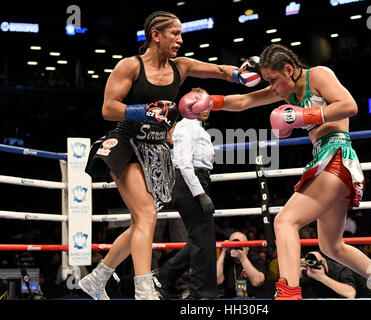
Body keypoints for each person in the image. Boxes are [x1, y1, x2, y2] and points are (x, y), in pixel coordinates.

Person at [180, 43, 371, 300]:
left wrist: (304, 116)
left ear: (289, 70)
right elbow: (244, 101)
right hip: (327, 159)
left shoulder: (318, 75)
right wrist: (211, 102)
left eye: (273, 80)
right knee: (332, 246)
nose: (272, 87)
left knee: (285, 221)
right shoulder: (287, 92)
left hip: (337, 155)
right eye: (268, 81)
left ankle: (289, 294)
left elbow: (349, 106)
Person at [79, 10, 255, 300]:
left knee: (140, 222)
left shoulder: (181, 67)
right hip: (126, 143)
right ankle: (144, 288)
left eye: (181, 34)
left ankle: (97, 278)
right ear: (156, 35)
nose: (181, 40)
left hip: (156, 149)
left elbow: (220, 71)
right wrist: (143, 110)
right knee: (147, 214)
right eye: (175, 34)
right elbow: (108, 108)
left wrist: (241, 74)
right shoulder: (130, 66)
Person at [157, 88, 217, 300]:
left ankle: (164, 277)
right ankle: (201, 295)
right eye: (203, 102)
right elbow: (183, 163)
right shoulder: (188, 126)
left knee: (202, 239)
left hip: (194, 181)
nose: (208, 106)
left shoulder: (196, 127)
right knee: (203, 241)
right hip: (189, 183)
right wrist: (200, 193)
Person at [216, 231, 268, 298]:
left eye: (240, 245)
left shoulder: (255, 258)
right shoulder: (226, 260)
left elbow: (257, 282)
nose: (237, 248)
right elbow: (217, 280)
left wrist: (243, 258)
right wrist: (223, 252)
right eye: (233, 245)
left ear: (247, 247)